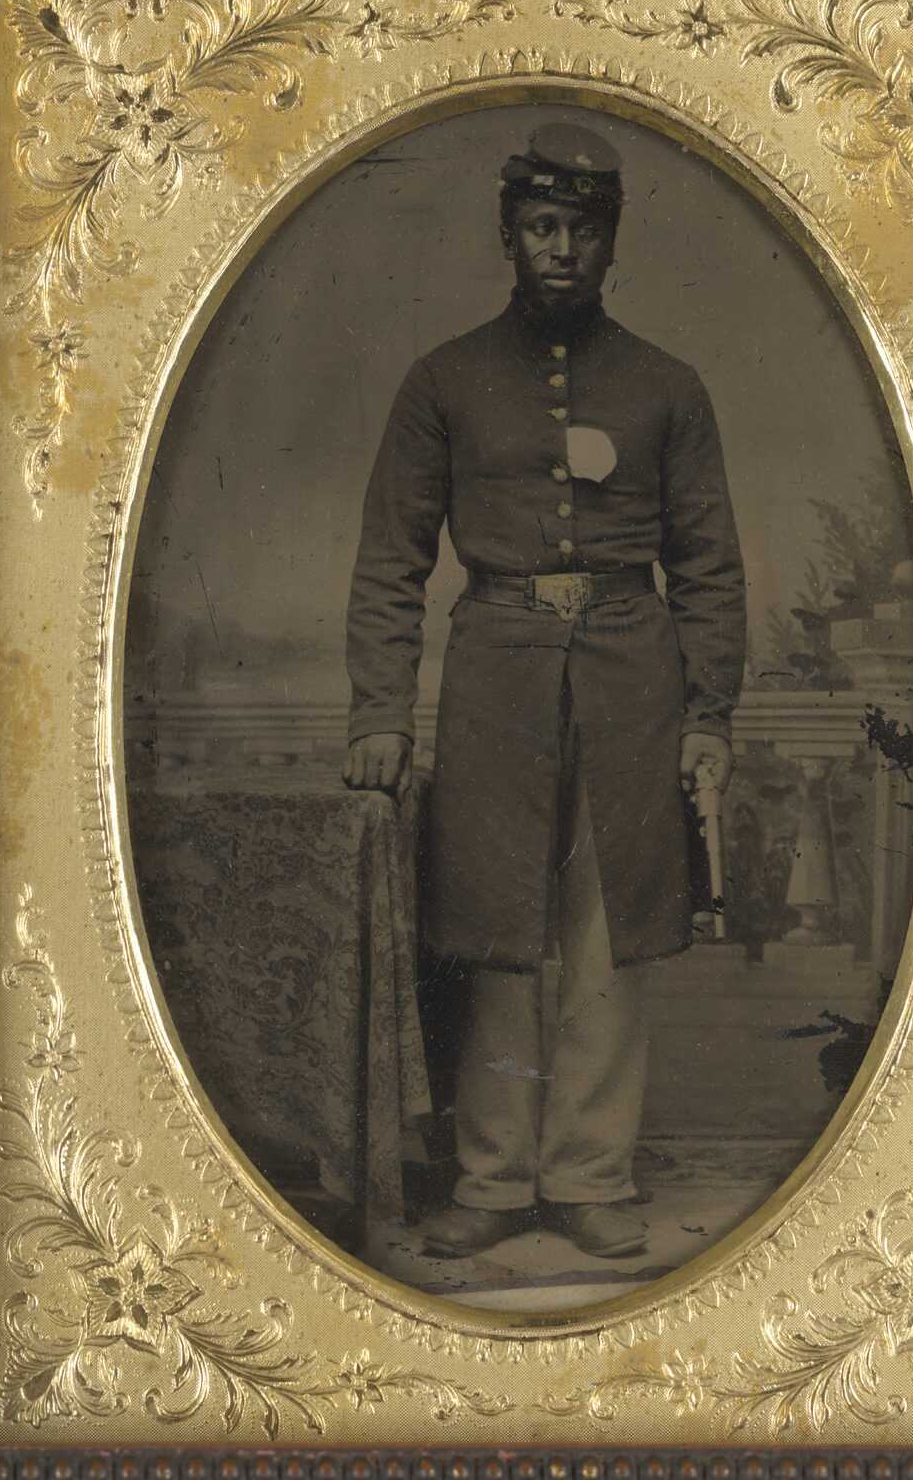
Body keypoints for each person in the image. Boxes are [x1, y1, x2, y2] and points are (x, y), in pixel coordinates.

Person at [344, 120, 746, 1260]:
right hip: (492, 674)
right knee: (491, 927)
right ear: (507, 238)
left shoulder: (668, 387)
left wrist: (707, 714)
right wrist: (378, 710)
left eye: (580, 229)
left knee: (605, 930)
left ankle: (588, 1175)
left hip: (636, 675)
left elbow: (709, 567)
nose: (560, 248)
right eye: (539, 227)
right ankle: (491, 1176)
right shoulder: (444, 380)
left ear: (610, 242)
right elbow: (391, 558)